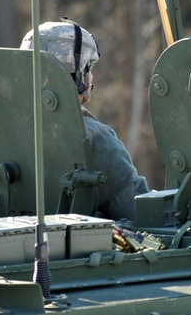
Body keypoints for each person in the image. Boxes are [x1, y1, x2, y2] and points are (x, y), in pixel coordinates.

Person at [20, 19, 149, 221]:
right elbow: (141, 214)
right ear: (75, 75)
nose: (91, 78)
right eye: (88, 68)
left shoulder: (8, 128)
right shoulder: (96, 140)